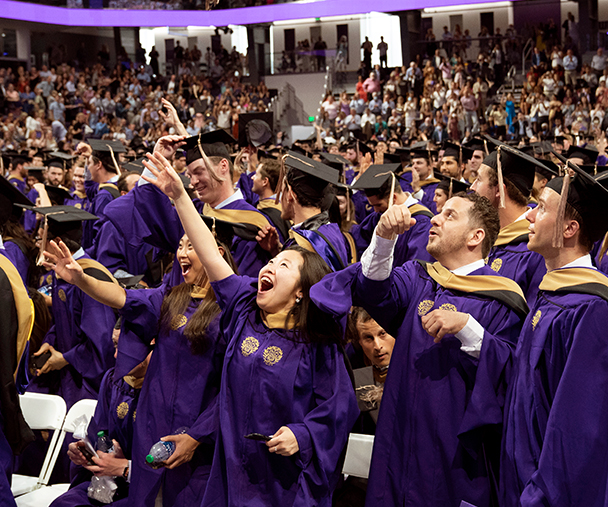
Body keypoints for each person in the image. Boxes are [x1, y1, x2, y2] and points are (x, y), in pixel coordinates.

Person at [139, 149, 359, 506]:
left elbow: (339, 407)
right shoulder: (245, 309)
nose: (269, 266)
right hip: (232, 476)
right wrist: (180, 196)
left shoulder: (316, 343)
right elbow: (211, 255)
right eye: (270, 260)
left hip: (283, 484)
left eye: (284, 264)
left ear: (303, 289)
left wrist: (302, 434)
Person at [311, 191, 527, 507]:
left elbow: (512, 378)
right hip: (396, 447)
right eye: (439, 212)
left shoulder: (501, 299)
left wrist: (468, 328)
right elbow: (373, 291)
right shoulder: (419, 277)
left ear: (475, 236)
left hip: (453, 462)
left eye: (450, 215)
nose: (435, 219)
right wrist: (383, 238)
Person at [42, 224, 238, 506]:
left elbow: (234, 383)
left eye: (191, 246)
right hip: (157, 425)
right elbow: (122, 297)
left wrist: (198, 435)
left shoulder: (233, 308)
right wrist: (81, 280)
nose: (181, 252)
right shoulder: (170, 298)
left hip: (204, 433)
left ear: (215, 252)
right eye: (180, 245)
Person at [500, 164, 608, 506]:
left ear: (569, 228)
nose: (529, 216)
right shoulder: (552, 292)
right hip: (519, 477)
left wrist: (540, 496)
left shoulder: (590, 308)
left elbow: (577, 426)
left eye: (542, 208)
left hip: (547, 491)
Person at [26, 206, 117, 409]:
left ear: (57, 243)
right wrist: (49, 342)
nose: (38, 245)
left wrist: (66, 358)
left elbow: (102, 341)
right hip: (68, 375)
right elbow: (60, 321)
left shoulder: (89, 278)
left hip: (88, 384)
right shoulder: (62, 273)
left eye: (42, 240)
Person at [50, 320, 149, 507]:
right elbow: (101, 434)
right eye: (115, 345)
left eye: (124, 347)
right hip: (110, 482)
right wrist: (88, 453)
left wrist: (126, 468)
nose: (116, 354)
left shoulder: (166, 393)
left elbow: (175, 466)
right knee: (64, 504)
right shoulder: (113, 380)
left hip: (147, 488)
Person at [471, 141, 547, 303]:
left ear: (499, 190)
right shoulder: (481, 236)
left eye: (478, 179)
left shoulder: (537, 250)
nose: (472, 187)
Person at [350, 164, 434, 267]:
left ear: (393, 197)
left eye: (378, 205)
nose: (375, 210)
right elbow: (359, 238)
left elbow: (418, 266)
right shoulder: (380, 215)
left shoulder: (421, 223)